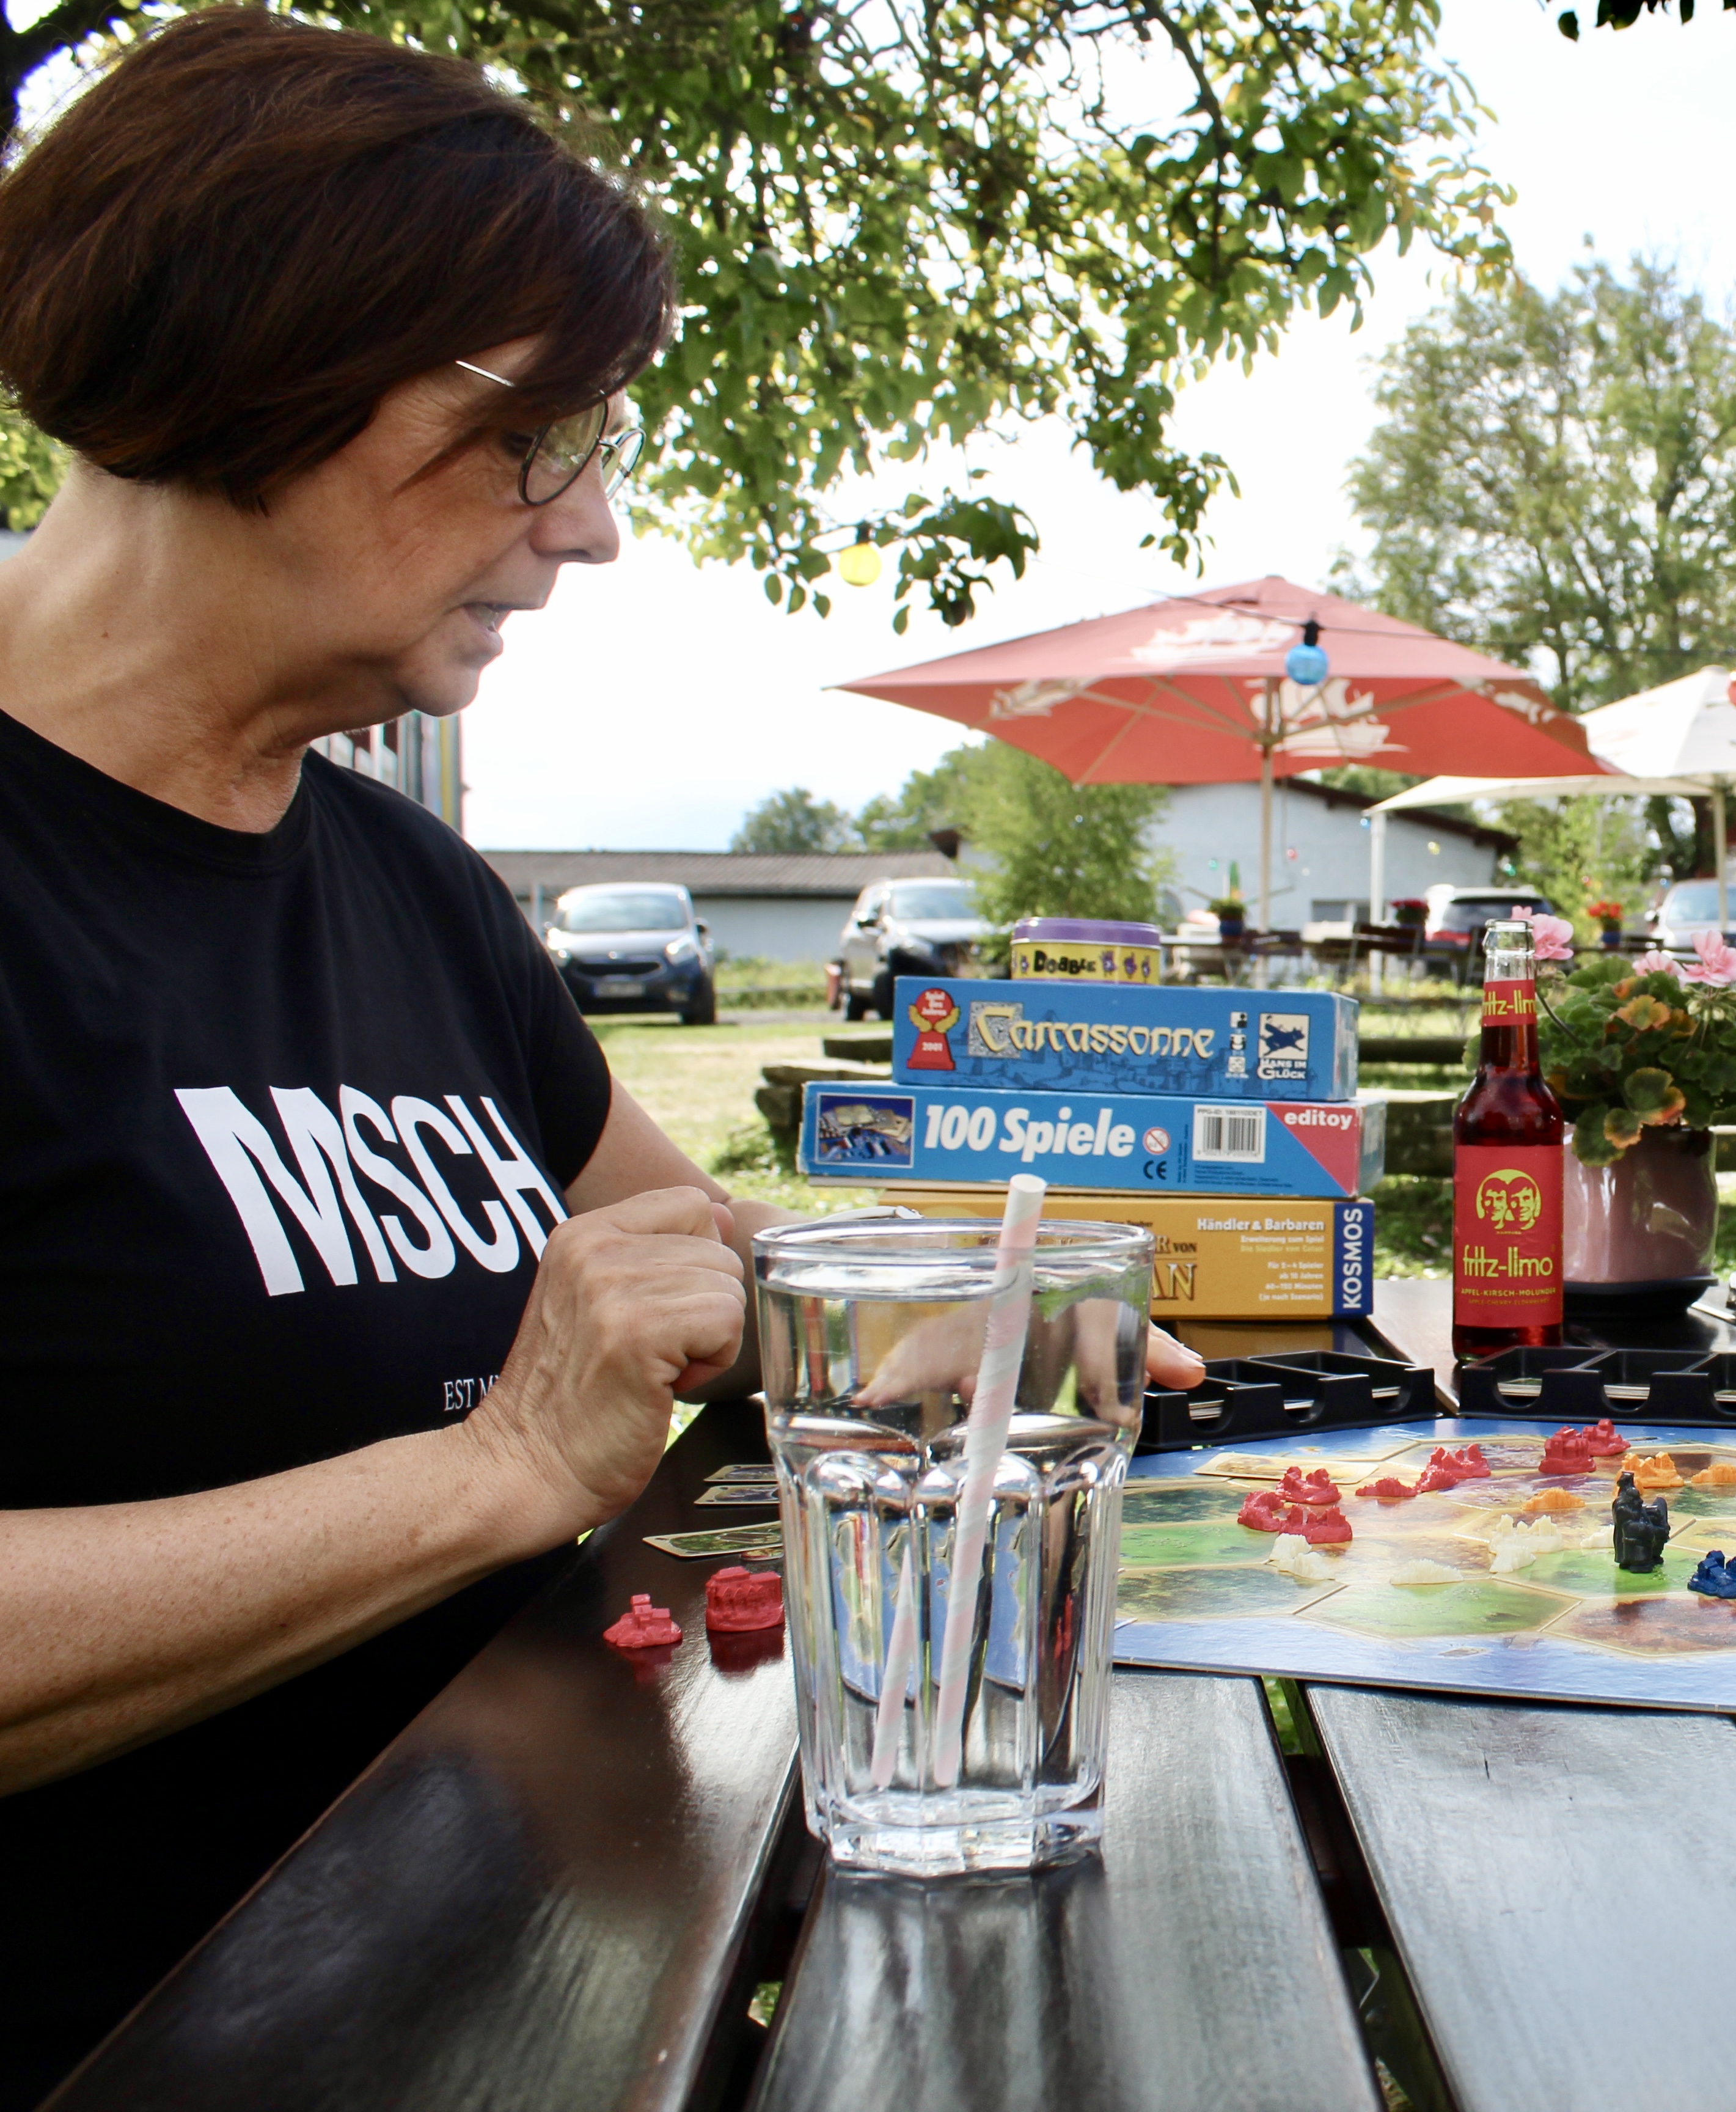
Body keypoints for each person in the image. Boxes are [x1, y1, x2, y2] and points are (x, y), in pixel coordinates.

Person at [0, 18, 1195, 2100]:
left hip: (508, 2001)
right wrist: (487, 1477)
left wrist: (924, 1315)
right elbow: (532, 1440)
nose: (598, 528)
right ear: (259, 362)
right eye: (543, 434)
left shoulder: (399, 878)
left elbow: (695, 1255)